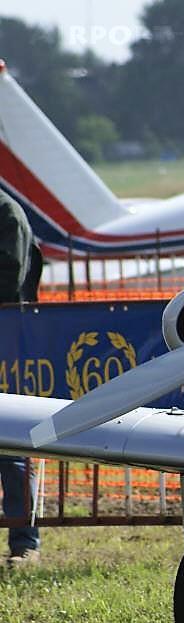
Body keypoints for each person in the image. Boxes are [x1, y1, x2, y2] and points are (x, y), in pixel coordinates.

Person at [0, 188, 41, 567]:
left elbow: (10, 274)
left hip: (6, 341)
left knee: (11, 444)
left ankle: (24, 541)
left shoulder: (6, 213)